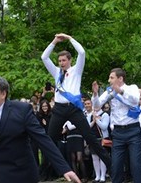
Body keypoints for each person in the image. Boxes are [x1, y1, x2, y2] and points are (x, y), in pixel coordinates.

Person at [41, 33, 111, 171]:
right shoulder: (56, 73)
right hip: (59, 109)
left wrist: (69, 38)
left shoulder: (76, 71)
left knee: (90, 137)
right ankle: (43, 170)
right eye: (59, 61)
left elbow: (82, 52)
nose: (61, 63)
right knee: (49, 139)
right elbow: (44, 57)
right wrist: (54, 41)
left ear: (69, 60)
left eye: (64, 60)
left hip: (73, 109)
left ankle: (112, 166)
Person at [92, 68, 141, 183]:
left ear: (120, 79)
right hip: (118, 133)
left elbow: (134, 100)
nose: (109, 80)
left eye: (111, 77)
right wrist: (96, 94)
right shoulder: (109, 91)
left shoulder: (132, 88)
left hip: (133, 130)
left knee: (136, 165)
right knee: (115, 167)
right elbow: (97, 106)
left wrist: (120, 91)